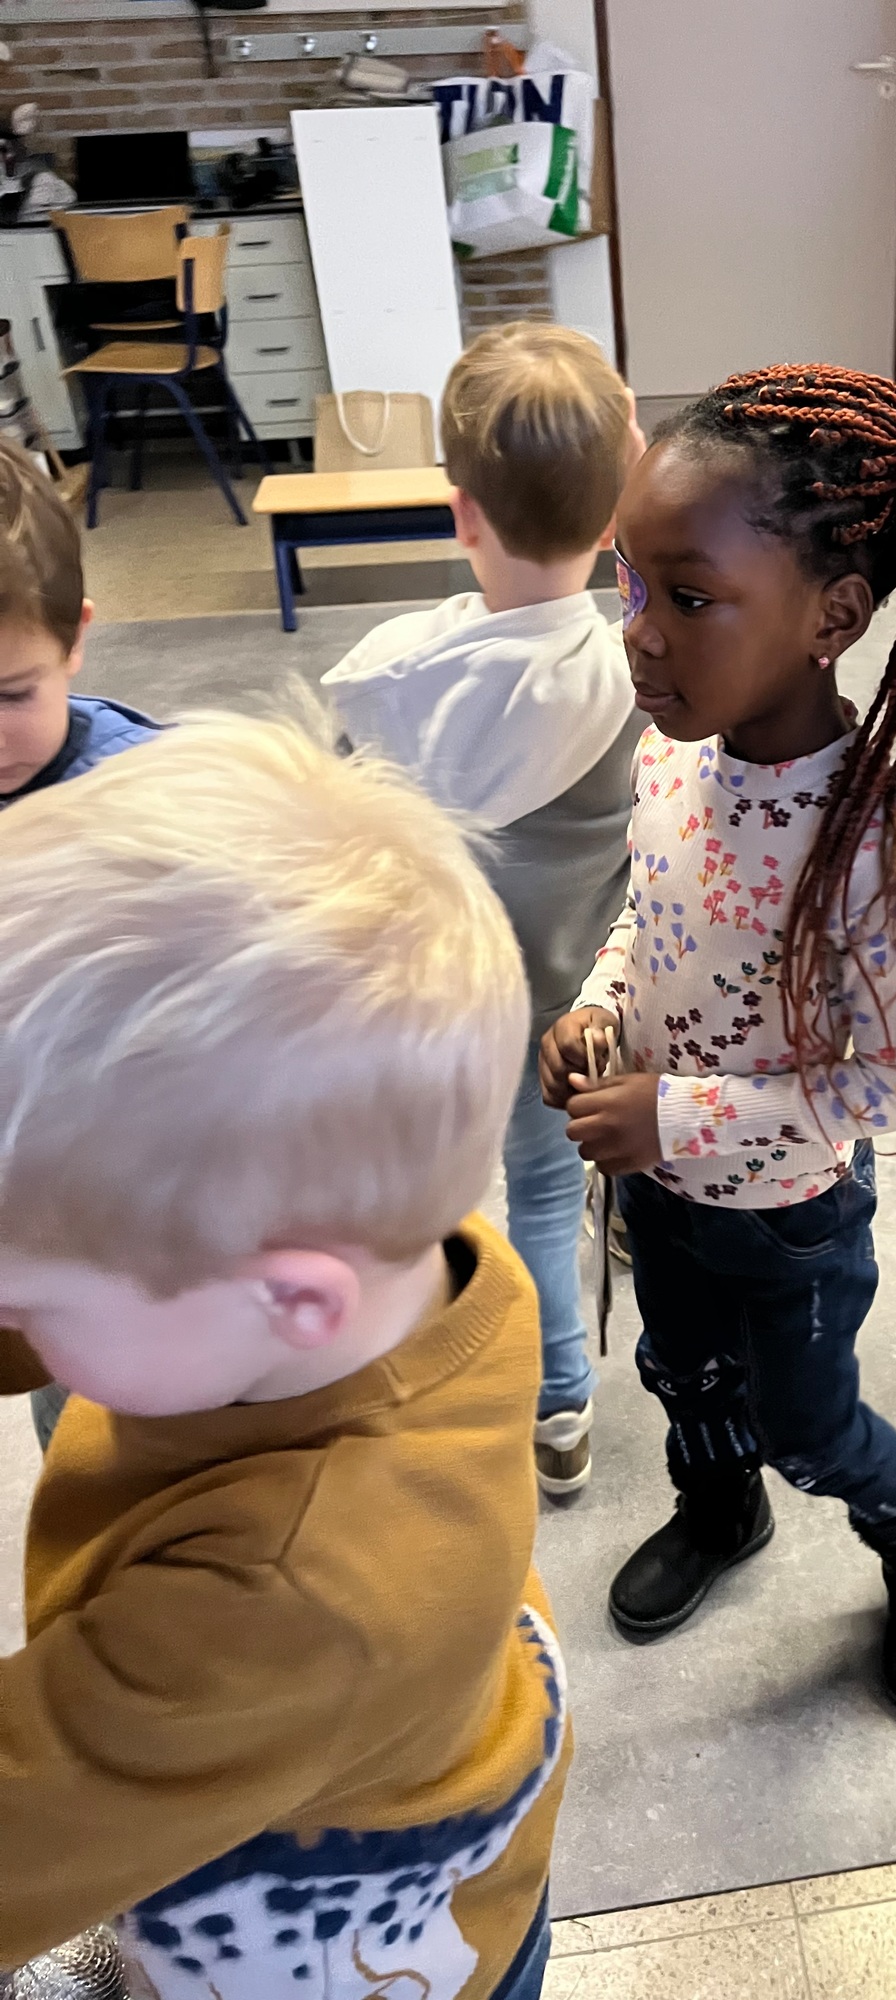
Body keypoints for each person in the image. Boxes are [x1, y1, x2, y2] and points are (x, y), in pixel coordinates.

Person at [0, 714, 568, 2000]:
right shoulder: (423, 1254)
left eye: (29, 1296)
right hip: (433, 1792)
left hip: (332, 1946)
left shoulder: (279, 1597)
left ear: (290, 1295)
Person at [540, 365, 896, 1715]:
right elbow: (650, 915)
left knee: (810, 1424)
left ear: (833, 616)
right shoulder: (671, 755)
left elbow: (894, 1077)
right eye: (631, 585)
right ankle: (717, 1508)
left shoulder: (878, 846)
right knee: (680, 1373)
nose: (639, 635)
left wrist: (674, 1113)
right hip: (661, 1193)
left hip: (789, 1217)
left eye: (689, 599)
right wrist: (599, 1006)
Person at [325, 323, 642, 1500]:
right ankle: (571, 1391)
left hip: (443, 1002)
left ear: (461, 512)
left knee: (464, 1197)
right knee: (560, 1190)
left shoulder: (389, 669)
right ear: (613, 519)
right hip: (579, 1005)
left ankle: (492, 1397)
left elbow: (343, 833)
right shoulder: (631, 675)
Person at [0, 436, 162, 1453]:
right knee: (71, 1428)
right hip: (28, 1209)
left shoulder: (151, 794)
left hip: (142, 1187)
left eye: (10, 695)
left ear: (75, 640)